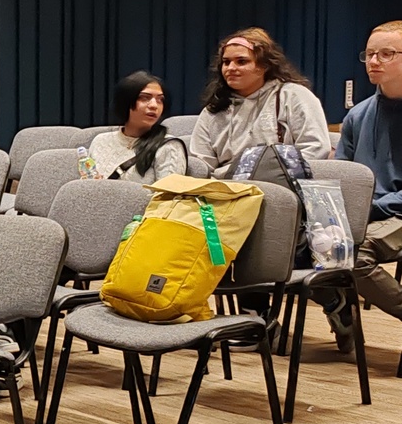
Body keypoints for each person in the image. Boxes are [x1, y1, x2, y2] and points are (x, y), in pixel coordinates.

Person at [322, 22, 402, 348]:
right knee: (305, 247)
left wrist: (371, 208)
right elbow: (344, 177)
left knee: (354, 256)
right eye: (369, 54)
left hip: (395, 214)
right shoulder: (358, 115)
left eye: (386, 54)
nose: (373, 61)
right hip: (365, 213)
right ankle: (341, 310)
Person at [189, 27, 331, 178]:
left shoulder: (294, 96)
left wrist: (268, 172)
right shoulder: (214, 108)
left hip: (279, 182)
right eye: (226, 62)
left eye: (241, 61)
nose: (231, 68)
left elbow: (315, 147)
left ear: (264, 66)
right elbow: (201, 164)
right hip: (224, 185)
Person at [86, 71, 188, 184]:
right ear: (125, 102)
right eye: (145, 98)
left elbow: (169, 193)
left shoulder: (169, 146)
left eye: (160, 100)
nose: (154, 105)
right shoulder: (100, 141)